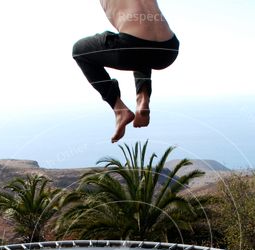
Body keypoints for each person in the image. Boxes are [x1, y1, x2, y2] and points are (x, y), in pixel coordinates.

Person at [73, 0, 179, 143]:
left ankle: (119, 110)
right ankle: (143, 97)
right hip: (169, 48)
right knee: (140, 50)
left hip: (132, 47)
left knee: (79, 51)